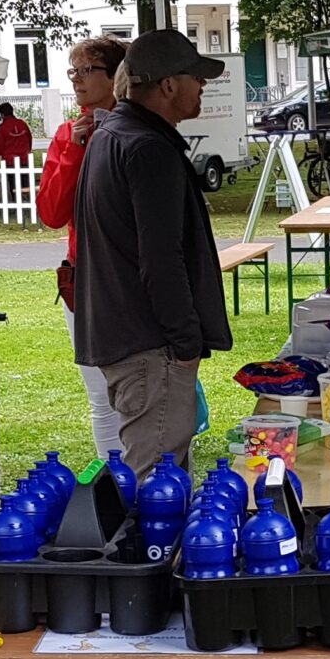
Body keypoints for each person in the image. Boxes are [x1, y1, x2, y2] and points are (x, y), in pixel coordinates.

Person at [72, 29, 229, 476]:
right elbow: (161, 260)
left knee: (161, 479)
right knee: (155, 486)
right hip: (149, 344)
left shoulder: (112, 134)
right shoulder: (147, 147)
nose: (203, 85)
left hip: (128, 338)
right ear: (168, 85)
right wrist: (185, 344)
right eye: (196, 77)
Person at [35, 33, 131, 456]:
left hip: (130, 280)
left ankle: (157, 475)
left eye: (86, 70)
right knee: (101, 396)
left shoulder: (138, 130)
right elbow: (51, 213)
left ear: (116, 77)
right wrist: (74, 149)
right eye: (72, 71)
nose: (76, 80)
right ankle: (115, 477)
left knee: (144, 391)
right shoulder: (67, 134)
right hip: (84, 278)